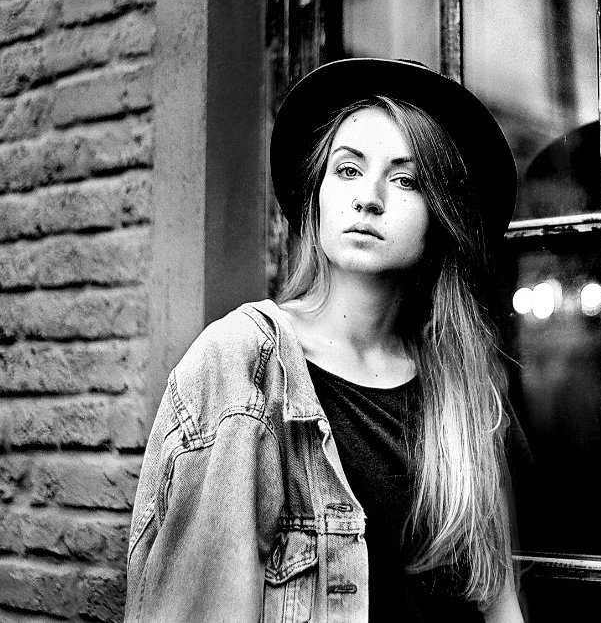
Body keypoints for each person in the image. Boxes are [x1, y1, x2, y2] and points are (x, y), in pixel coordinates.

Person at [124, 58, 526, 623]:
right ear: (316, 194)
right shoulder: (243, 365)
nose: (370, 198)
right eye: (347, 170)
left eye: (406, 180)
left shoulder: (464, 390)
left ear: (442, 215)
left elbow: (497, 597)